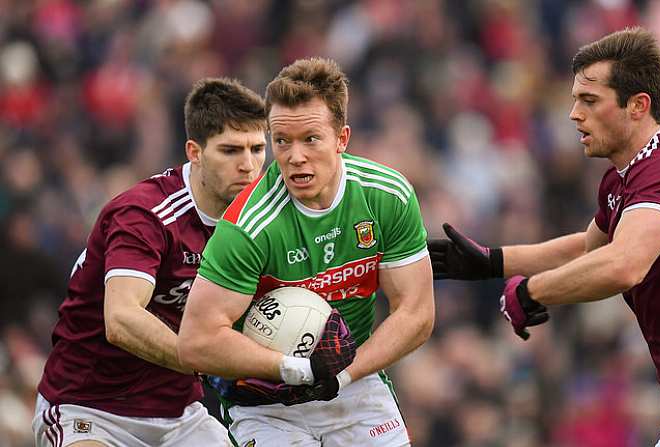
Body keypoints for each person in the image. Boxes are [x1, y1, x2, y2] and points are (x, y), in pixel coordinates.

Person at [429, 27, 660, 447]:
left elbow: (624, 265)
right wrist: (496, 261)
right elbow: (589, 249)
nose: (573, 114)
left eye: (589, 100)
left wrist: (534, 291)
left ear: (638, 106)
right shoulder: (627, 177)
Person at [177, 57, 434, 447]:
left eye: (311, 139)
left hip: (357, 386)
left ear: (342, 139)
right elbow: (195, 340)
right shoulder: (248, 226)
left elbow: (416, 313)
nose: (295, 156)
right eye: (281, 141)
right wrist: (292, 368)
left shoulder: (387, 197)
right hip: (265, 404)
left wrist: (343, 374)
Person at [33, 78, 269, 447]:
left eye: (257, 149)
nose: (248, 165)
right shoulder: (144, 214)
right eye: (230, 151)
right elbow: (121, 319)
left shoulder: (259, 218)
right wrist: (208, 360)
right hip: (89, 407)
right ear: (195, 151)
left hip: (180, 417)